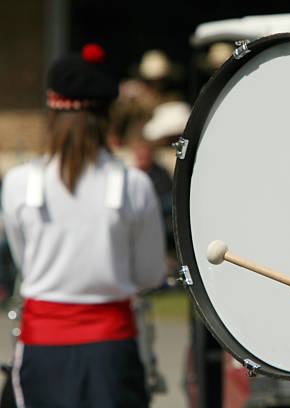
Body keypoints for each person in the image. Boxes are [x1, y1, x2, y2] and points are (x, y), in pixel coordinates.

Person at [1, 43, 166, 408]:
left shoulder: (17, 183)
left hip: (42, 350)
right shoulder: (134, 184)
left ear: (52, 109)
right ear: (107, 116)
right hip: (112, 350)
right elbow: (150, 274)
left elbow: (26, 264)